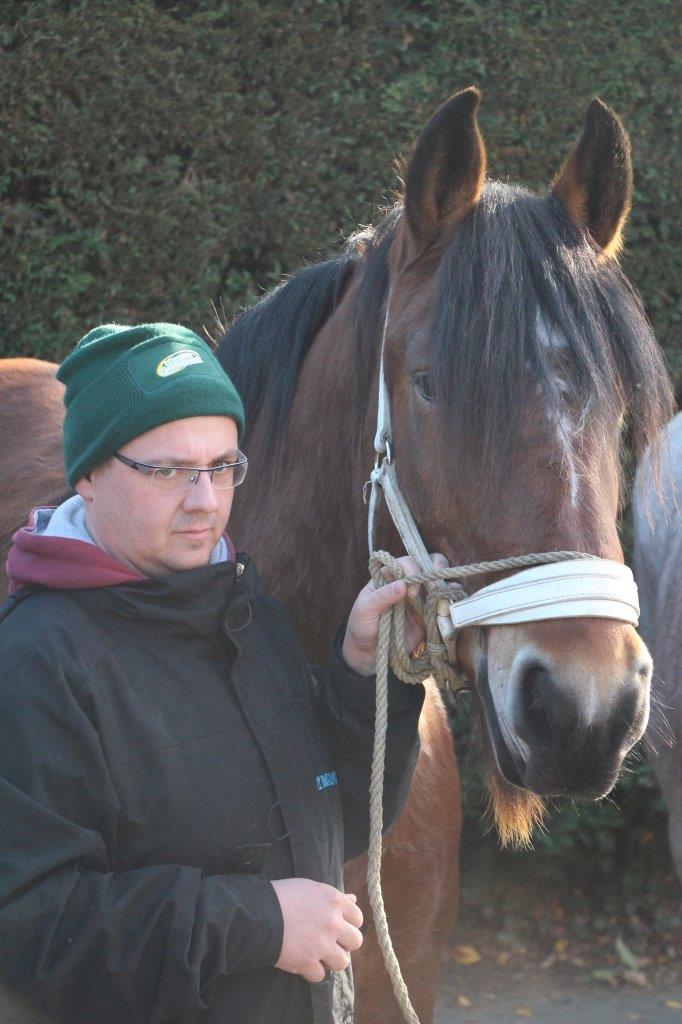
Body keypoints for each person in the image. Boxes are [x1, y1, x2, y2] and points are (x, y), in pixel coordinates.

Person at [0, 323, 439, 1024]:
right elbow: (32, 927)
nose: (204, 500)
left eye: (223, 466)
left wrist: (362, 672)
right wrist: (259, 924)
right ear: (87, 472)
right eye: (168, 471)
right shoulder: (37, 662)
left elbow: (336, 824)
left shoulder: (245, 612)